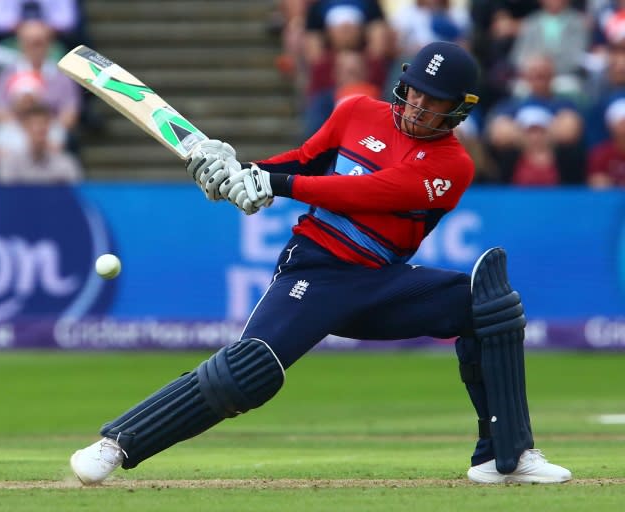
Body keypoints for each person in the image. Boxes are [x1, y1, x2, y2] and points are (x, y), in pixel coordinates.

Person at [69, 42, 572, 486]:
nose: (418, 105)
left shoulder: (452, 166)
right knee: (251, 371)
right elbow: (305, 160)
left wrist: (274, 184)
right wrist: (240, 172)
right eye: (414, 91)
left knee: (487, 304)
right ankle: (117, 444)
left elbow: (373, 191)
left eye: (433, 99)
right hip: (315, 271)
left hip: (382, 284)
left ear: (460, 110)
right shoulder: (356, 112)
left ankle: (507, 457)